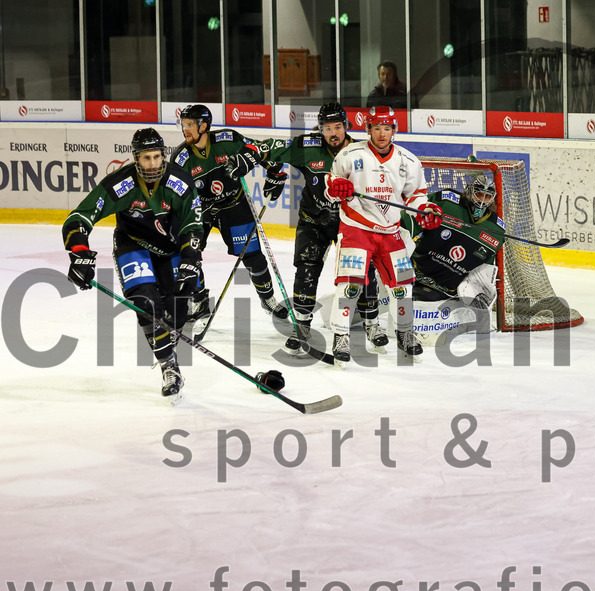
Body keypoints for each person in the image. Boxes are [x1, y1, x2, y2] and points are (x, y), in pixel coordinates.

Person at [62, 128, 204, 401]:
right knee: (145, 303)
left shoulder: (180, 182)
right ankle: (169, 365)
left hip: (172, 247)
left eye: (157, 157)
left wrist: (190, 259)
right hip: (134, 244)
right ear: (136, 158)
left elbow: (193, 223)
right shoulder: (120, 184)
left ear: (163, 155)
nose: (153, 164)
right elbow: (80, 217)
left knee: (178, 307)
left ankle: (167, 344)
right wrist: (79, 252)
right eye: (146, 158)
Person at [262, 102, 389, 355]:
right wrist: (274, 173)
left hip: (350, 223)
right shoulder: (307, 148)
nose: (333, 133)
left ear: (346, 126)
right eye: (327, 128)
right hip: (314, 220)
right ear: (320, 129)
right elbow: (270, 152)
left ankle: (372, 324)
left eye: (338, 127)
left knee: (363, 272)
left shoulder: (361, 153)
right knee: (306, 270)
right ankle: (302, 325)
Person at [322, 105, 444, 366]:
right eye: (376, 128)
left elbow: (416, 195)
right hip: (356, 228)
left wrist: (425, 210)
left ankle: (405, 333)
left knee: (403, 285)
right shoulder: (349, 155)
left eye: (387, 128)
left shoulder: (408, 161)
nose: (381, 134)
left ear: (394, 130)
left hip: (390, 231)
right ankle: (341, 336)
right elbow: (330, 187)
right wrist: (336, 189)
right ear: (368, 129)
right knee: (350, 284)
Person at [172, 103, 286, 328]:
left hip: (234, 204)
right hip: (201, 210)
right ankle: (199, 301)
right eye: (183, 124)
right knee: (188, 254)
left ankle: (268, 298)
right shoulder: (180, 158)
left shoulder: (228, 140)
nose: (185, 129)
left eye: (190, 124)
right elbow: (173, 194)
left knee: (253, 257)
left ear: (204, 126)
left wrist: (275, 172)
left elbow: (260, 150)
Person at [401, 173, 505, 309]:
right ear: (469, 191)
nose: (481, 200)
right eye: (479, 194)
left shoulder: (496, 231)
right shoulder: (446, 202)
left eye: (487, 197)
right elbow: (407, 222)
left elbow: (484, 271)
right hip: (415, 274)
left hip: (447, 290)